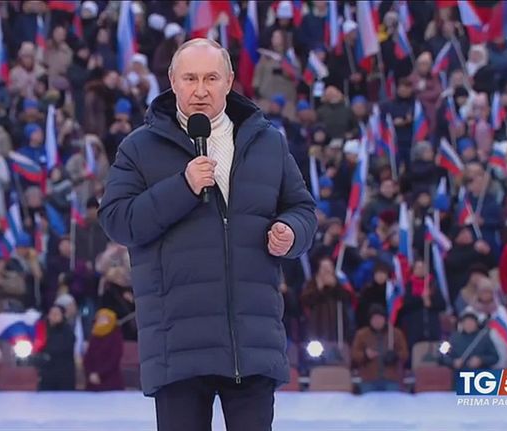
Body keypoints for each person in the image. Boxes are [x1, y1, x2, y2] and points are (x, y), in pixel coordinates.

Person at [99, 38, 316, 430]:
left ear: (229, 81)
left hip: (251, 345)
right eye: (190, 78)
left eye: (211, 78)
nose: (200, 90)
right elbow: (117, 221)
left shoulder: (267, 142)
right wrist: (182, 187)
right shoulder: (139, 148)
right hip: (178, 348)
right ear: (172, 82)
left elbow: (302, 210)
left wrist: (292, 231)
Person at [351, 304, 408, 393]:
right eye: (374, 318)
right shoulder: (361, 335)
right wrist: (365, 355)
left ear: (385, 319)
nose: (377, 321)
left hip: (391, 380)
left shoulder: (396, 333)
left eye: (379, 318)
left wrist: (395, 355)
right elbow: (354, 355)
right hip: (369, 380)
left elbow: (405, 354)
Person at [36, 305, 76, 391]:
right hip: (46, 374)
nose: (54, 316)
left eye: (57, 314)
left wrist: (46, 352)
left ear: (62, 316)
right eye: (52, 313)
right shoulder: (42, 330)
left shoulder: (67, 332)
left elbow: (59, 349)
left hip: (63, 376)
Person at [82, 308, 124, 391]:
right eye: (99, 319)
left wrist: (100, 374)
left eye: (104, 319)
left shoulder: (115, 336)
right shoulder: (94, 336)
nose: (100, 321)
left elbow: (114, 359)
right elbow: (88, 357)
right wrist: (90, 373)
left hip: (110, 380)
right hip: (92, 381)